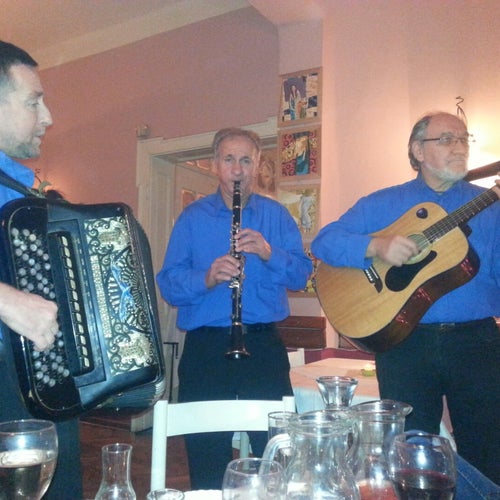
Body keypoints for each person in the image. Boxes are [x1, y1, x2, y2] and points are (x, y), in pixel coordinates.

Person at [311, 111, 500, 484]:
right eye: (446, 139)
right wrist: (375, 246)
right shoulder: (382, 203)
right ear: (418, 150)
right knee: (411, 453)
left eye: (463, 139)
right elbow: (325, 241)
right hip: (403, 341)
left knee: (487, 449)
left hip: (476, 341)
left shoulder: (490, 206)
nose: (459, 147)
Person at [156, 127, 312, 489]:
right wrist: (207, 277)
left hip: (262, 346)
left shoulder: (276, 216)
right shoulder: (192, 218)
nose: (237, 169)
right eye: (229, 159)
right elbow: (169, 284)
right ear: (215, 165)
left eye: (245, 160)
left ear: (257, 165)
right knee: (206, 452)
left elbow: (302, 275)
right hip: (206, 349)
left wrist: (269, 253)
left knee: (277, 452)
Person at [0, 40, 83, 498]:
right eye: (34, 101)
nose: (48, 116)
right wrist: (7, 301)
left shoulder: (21, 186)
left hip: (39, 381)